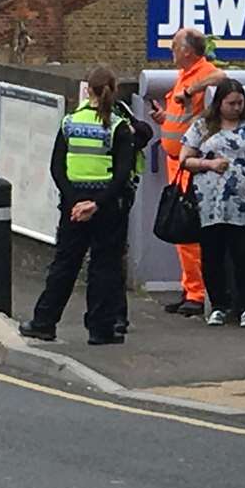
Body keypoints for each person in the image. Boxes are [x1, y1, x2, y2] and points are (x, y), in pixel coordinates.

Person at [19, 68, 135, 346]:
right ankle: (101, 329)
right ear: (113, 89)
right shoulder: (118, 127)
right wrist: (95, 204)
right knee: (104, 266)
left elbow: (57, 168)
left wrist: (75, 201)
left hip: (73, 203)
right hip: (107, 205)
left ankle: (44, 322)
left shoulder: (69, 123)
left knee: (65, 264)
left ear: (87, 91)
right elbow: (122, 174)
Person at [178, 79, 245, 328]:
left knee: (243, 253)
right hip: (209, 200)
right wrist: (209, 164)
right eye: (231, 103)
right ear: (219, 103)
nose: (236, 108)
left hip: (242, 200)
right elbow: (185, 159)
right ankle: (218, 304)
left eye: (240, 103)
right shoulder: (203, 126)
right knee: (212, 254)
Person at [149, 28, 226, 318]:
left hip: (190, 163)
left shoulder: (201, 73)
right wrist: (163, 118)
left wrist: (191, 91)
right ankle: (189, 288)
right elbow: (180, 118)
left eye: (174, 46)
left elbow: (221, 78)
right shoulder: (185, 74)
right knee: (181, 231)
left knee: (188, 230)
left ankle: (196, 293)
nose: (171, 51)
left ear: (188, 51)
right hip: (177, 162)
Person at [108, 96, 156, 340]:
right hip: (105, 195)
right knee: (108, 260)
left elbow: (144, 132)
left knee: (108, 259)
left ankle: (115, 318)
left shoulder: (118, 112)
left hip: (113, 196)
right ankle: (113, 317)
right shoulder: (81, 118)